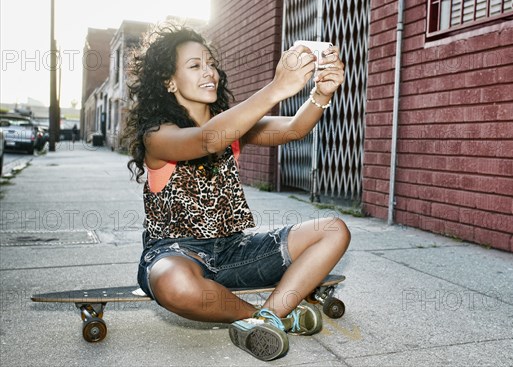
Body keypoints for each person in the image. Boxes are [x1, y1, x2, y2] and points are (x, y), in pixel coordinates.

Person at [123, 24, 350, 361]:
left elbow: (294, 129)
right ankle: (257, 319)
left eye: (211, 63)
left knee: (334, 230)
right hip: (174, 254)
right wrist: (275, 88)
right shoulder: (157, 134)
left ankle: (272, 317)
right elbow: (207, 139)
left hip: (234, 249)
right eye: (195, 65)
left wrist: (322, 94)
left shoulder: (233, 126)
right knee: (174, 283)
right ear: (168, 81)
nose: (209, 72)